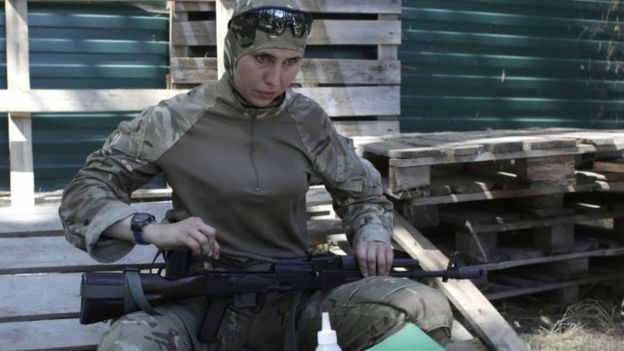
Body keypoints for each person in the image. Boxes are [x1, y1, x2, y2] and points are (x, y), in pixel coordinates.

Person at [59, 1, 453, 350]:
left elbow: (363, 195)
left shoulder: (307, 120)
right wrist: (148, 228)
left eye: (291, 62)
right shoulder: (173, 119)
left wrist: (372, 234)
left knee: (422, 308)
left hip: (295, 303)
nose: (276, 79)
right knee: (129, 343)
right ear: (234, 51)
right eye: (263, 58)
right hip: (196, 304)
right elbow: (84, 192)